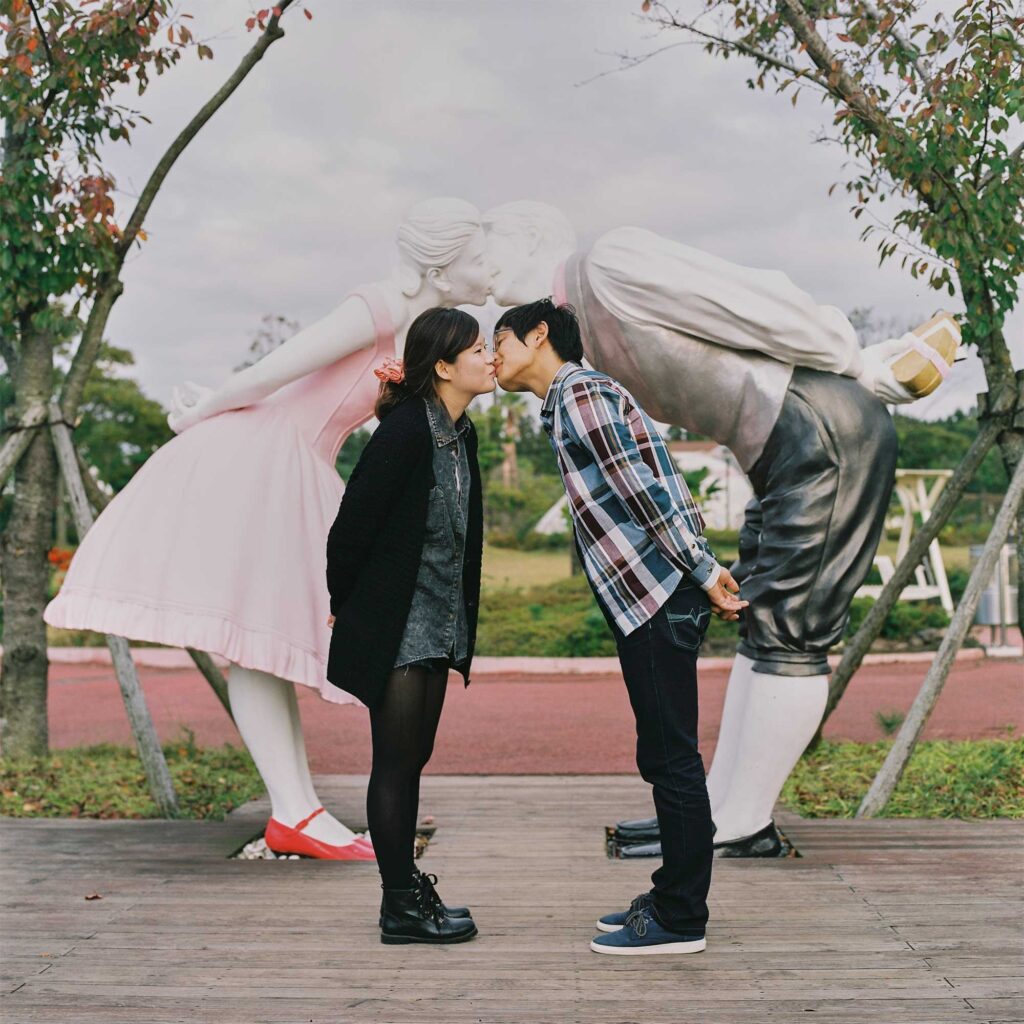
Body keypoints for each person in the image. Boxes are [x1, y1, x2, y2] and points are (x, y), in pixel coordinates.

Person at [484, 200, 959, 856]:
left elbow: (750, 299)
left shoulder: (611, 265)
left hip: (817, 428)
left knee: (791, 633)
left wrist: (854, 357)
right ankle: (714, 814)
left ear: (533, 241)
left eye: (488, 250)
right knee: (764, 624)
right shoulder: (582, 335)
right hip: (775, 444)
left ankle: (743, 824)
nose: (479, 273)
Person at [43, 198, 493, 860]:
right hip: (261, 456)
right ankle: (294, 811)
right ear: (440, 261)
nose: (486, 270)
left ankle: (295, 810)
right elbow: (275, 369)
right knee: (253, 634)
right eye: (477, 258)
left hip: (300, 463)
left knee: (261, 637)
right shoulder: (377, 307)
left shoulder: (422, 334)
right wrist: (202, 412)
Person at [494, 298, 747, 956]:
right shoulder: (574, 399)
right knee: (665, 754)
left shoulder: (579, 391)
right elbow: (657, 483)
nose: (493, 355)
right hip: (655, 595)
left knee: (673, 759)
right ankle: (671, 894)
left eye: (501, 339)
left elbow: (641, 488)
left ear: (540, 335)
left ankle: (681, 918)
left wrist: (700, 568)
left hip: (659, 595)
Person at [325, 307, 494, 944]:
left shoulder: (462, 434)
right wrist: (354, 609)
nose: (489, 359)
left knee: (413, 758)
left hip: (438, 623)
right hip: (397, 628)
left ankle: (407, 888)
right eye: (476, 350)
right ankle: (399, 905)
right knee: (394, 762)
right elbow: (348, 535)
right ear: (443, 366)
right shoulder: (403, 434)